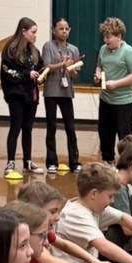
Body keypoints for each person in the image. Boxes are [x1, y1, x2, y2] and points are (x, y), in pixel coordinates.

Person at [16, 180, 119, 263]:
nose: (58, 217)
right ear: (34, 210)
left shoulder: (43, 232)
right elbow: (50, 262)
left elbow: (65, 245)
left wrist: (94, 261)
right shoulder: (33, 236)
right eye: (52, 212)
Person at [0, 17, 44, 174]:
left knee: (28, 129)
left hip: (31, 95)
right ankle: (10, 162)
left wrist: (41, 74)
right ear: (23, 31)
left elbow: (41, 67)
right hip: (16, 94)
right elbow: (7, 71)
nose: (35, 35)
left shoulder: (33, 51)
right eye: (33, 32)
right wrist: (26, 74)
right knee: (15, 127)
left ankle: (27, 161)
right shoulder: (10, 49)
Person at [94, 17, 132, 163]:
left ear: (118, 37)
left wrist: (116, 84)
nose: (105, 40)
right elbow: (99, 65)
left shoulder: (129, 52)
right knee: (105, 134)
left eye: (108, 37)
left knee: (125, 136)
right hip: (105, 99)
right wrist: (97, 74)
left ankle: (127, 163)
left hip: (123, 102)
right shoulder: (103, 50)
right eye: (104, 37)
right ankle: (107, 161)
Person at [41, 18, 81, 173]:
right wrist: (61, 65)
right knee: (51, 127)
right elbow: (47, 67)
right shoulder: (48, 46)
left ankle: (74, 162)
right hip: (51, 92)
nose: (64, 31)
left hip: (66, 92)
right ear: (54, 30)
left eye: (66, 29)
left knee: (70, 128)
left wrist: (71, 69)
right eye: (60, 28)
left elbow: (74, 75)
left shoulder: (73, 49)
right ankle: (51, 161)